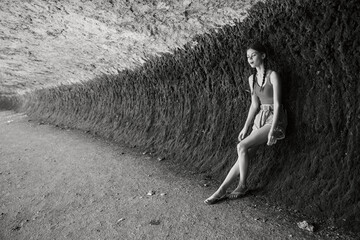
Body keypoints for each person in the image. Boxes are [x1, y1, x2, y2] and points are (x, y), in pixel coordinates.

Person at [204, 42, 287, 205]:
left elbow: (277, 103)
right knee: (245, 154)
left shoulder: (272, 75)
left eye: (253, 55)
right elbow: (254, 105)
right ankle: (221, 190)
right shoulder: (251, 79)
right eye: (248, 57)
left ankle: (242, 185)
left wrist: (272, 129)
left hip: (274, 118)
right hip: (260, 118)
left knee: (241, 147)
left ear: (263, 55)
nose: (250, 59)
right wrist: (245, 127)